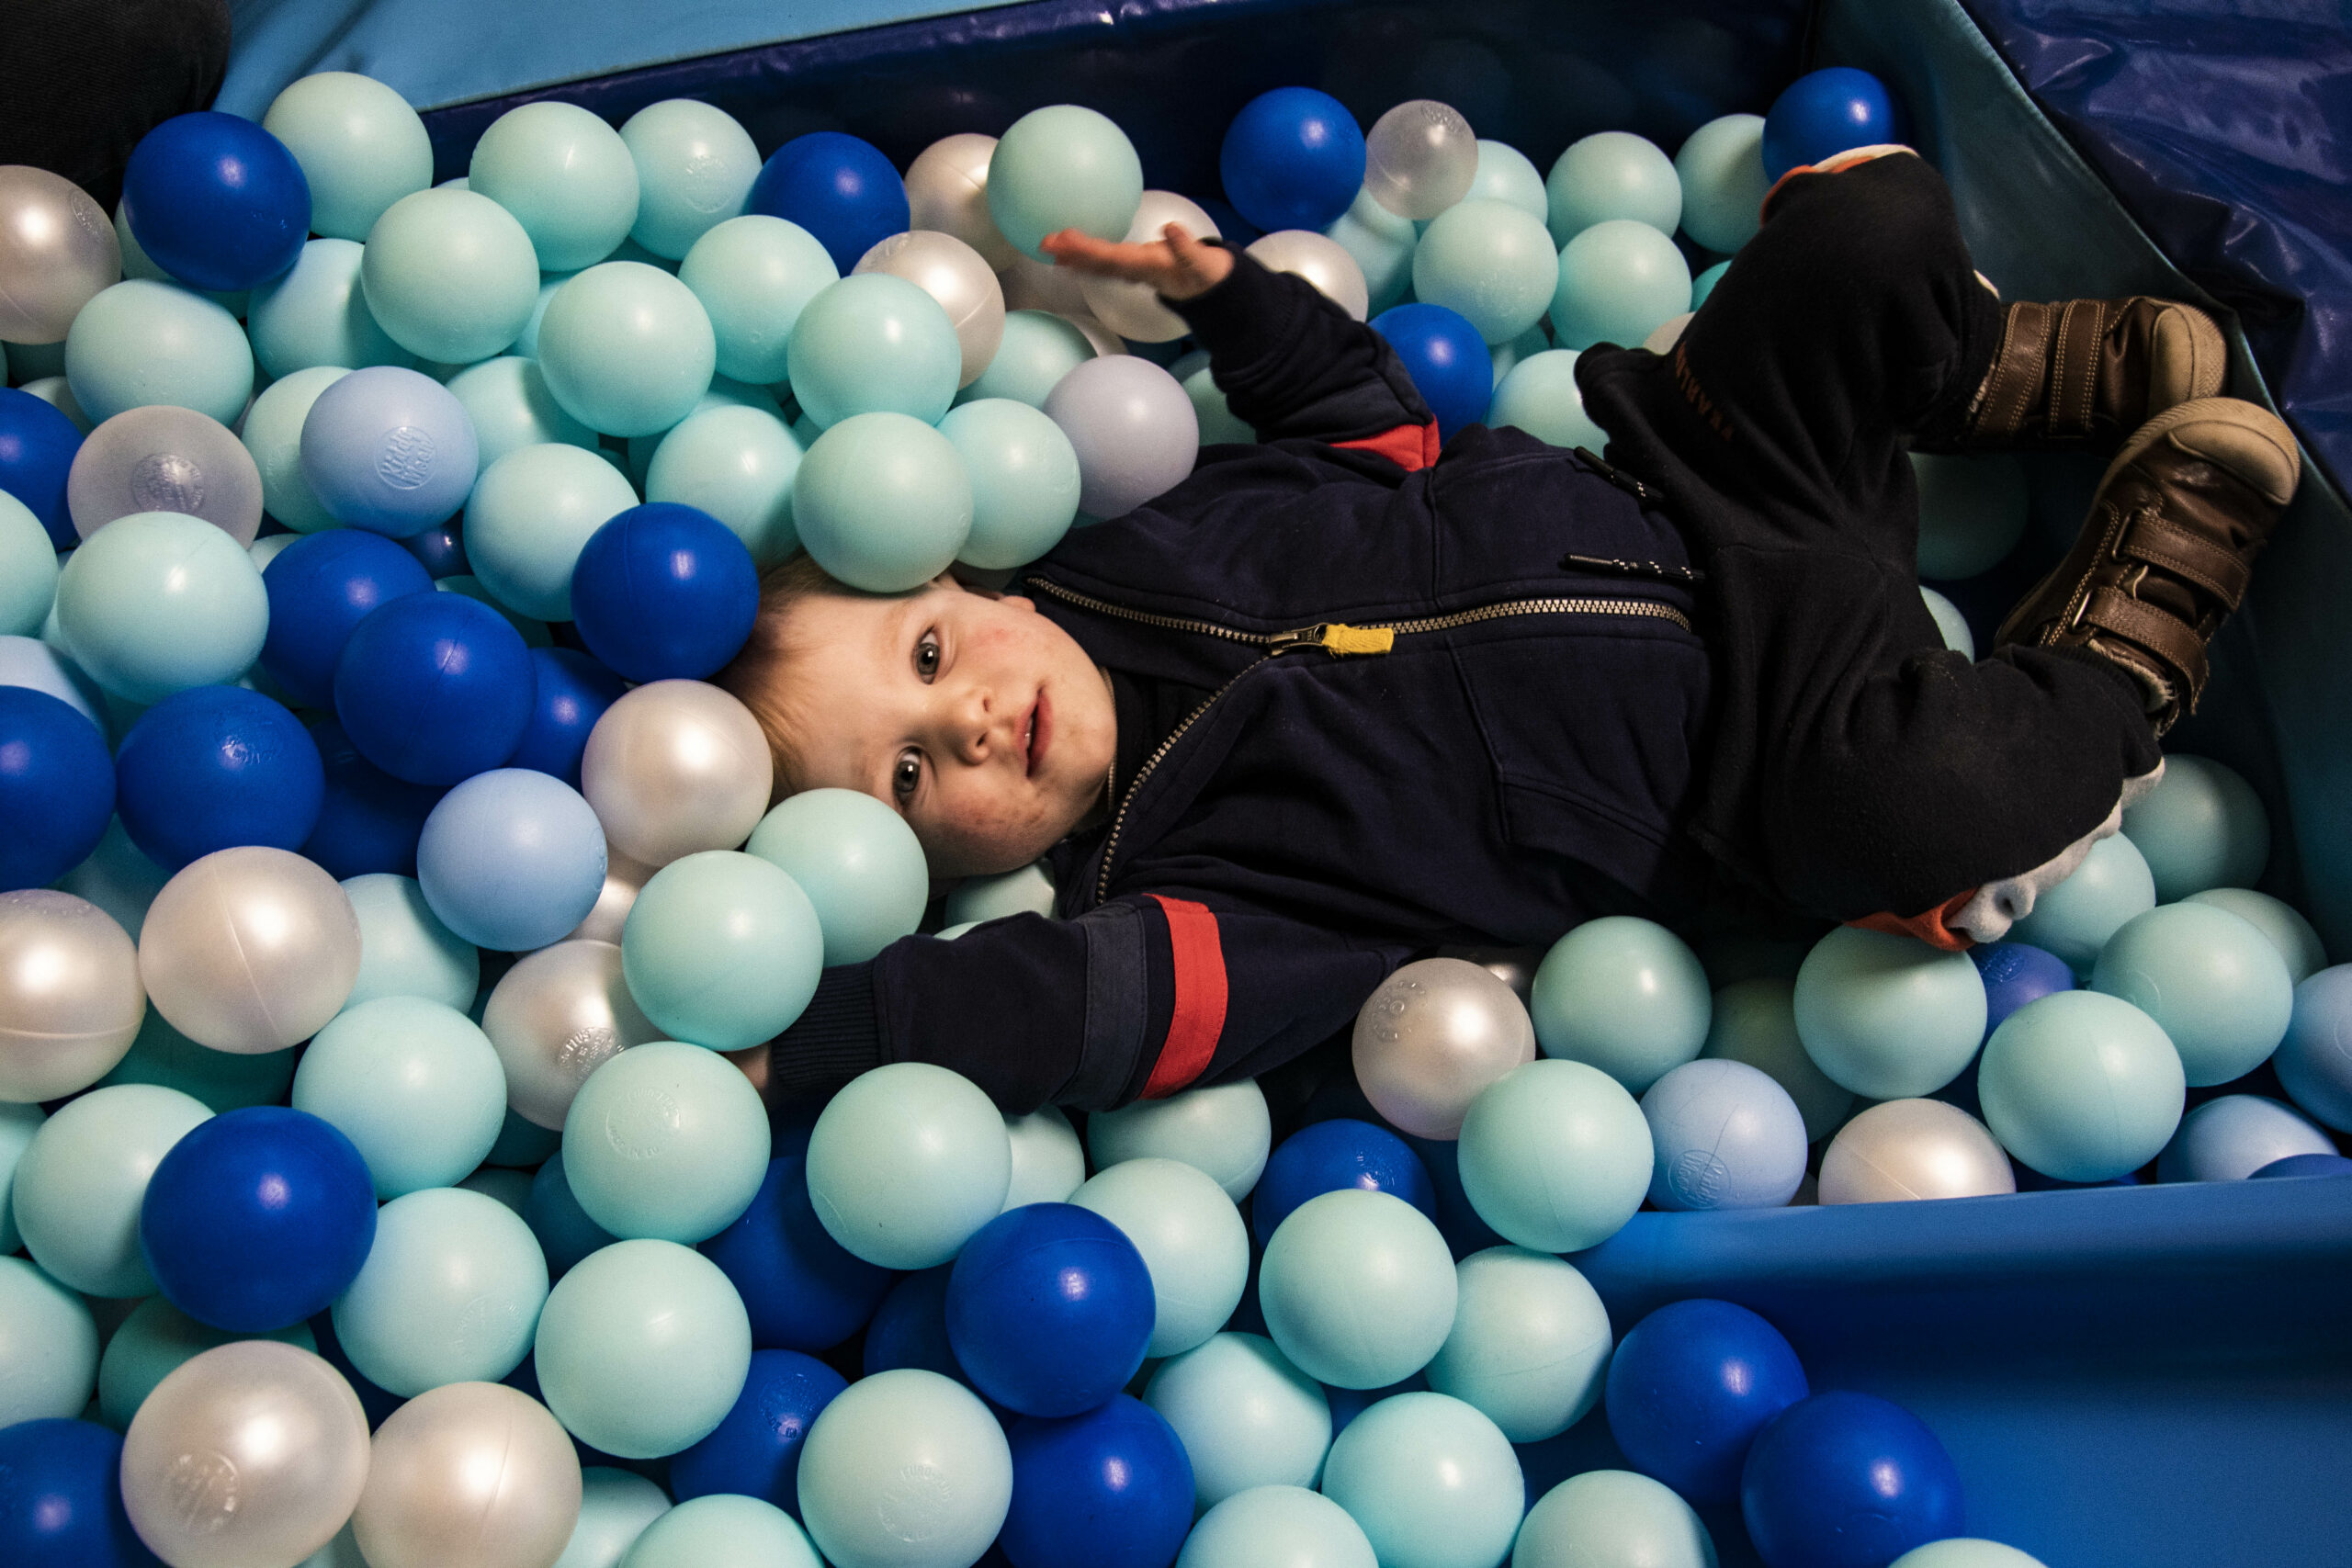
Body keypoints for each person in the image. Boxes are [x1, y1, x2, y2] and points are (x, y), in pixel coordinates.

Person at [719, 146, 2298, 1114]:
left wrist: (1228, 302)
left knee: (1866, 227)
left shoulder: (1132, 526)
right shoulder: (1185, 885)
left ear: (968, 582)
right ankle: (2128, 643)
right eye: (913, 782)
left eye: (930, 663)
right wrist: (819, 1043)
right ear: (924, 876)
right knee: (1926, 811)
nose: (973, 723)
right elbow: (1062, 1014)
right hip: (1774, 760)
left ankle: (1969, 370)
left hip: (1712, 482)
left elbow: (1364, 422)